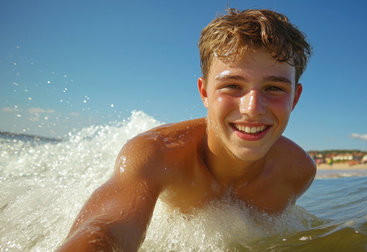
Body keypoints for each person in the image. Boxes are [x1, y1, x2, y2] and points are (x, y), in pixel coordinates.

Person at [58, 8, 316, 251]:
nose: (252, 108)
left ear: (294, 98)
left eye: (274, 88)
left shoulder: (297, 172)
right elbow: (107, 230)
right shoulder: (155, 155)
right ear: (204, 92)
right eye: (232, 86)